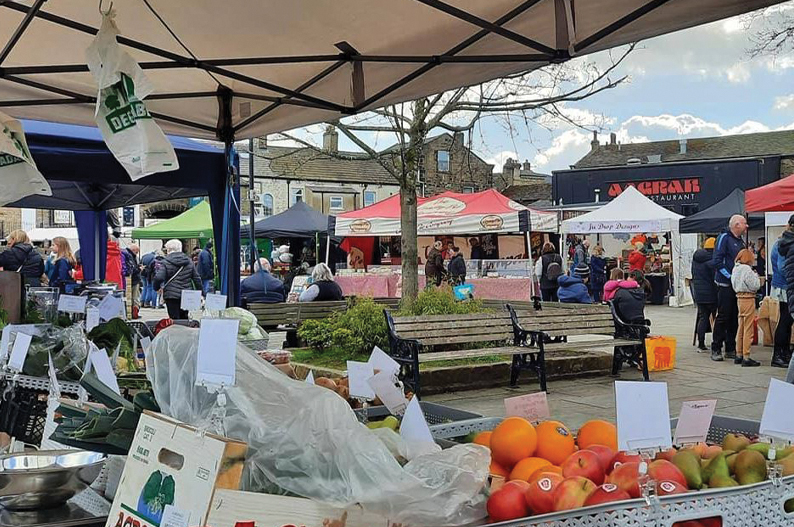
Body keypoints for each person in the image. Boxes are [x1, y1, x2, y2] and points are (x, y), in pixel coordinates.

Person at [711, 214, 747, 362]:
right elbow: (717, 262)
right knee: (724, 316)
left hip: (736, 285)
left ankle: (730, 347)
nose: (747, 226)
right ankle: (716, 347)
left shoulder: (740, 241)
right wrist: (731, 277)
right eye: (745, 223)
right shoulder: (724, 238)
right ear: (736, 225)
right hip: (725, 284)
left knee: (734, 317)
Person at [152, 239, 201, 320]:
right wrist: (201, 292)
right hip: (186, 294)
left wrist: (156, 288)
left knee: (174, 319)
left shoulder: (166, 262)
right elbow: (196, 278)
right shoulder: (189, 261)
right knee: (184, 318)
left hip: (171, 295)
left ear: (169, 250)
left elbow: (159, 277)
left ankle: (175, 332)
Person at [731, 249, 761, 367]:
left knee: (741, 327)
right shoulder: (747, 270)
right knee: (748, 328)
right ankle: (746, 356)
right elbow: (755, 285)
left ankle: (738, 354)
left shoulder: (735, 268)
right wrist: (756, 276)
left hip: (739, 298)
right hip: (748, 298)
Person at [771, 227, 793, 368]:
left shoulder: (783, 241)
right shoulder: (782, 243)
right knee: (785, 320)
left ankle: (783, 352)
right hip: (784, 286)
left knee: (787, 320)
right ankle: (778, 355)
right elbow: (782, 267)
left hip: (784, 285)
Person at [691, 237, 718, 352]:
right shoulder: (712, 261)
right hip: (711, 293)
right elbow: (714, 278)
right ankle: (717, 342)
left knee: (703, 318)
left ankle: (700, 343)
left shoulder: (695, 259)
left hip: (699, 293)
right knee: (716, 318)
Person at [123, 244, 141, 318]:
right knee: (135, 298)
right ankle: (134, 314)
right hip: (134, 280)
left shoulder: (125, 254)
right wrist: (139, 269)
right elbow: (133, 269)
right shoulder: (130, 256)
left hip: (128, 281)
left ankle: (131, 313)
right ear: (133, 250)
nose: (136, 254)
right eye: (136, 252)